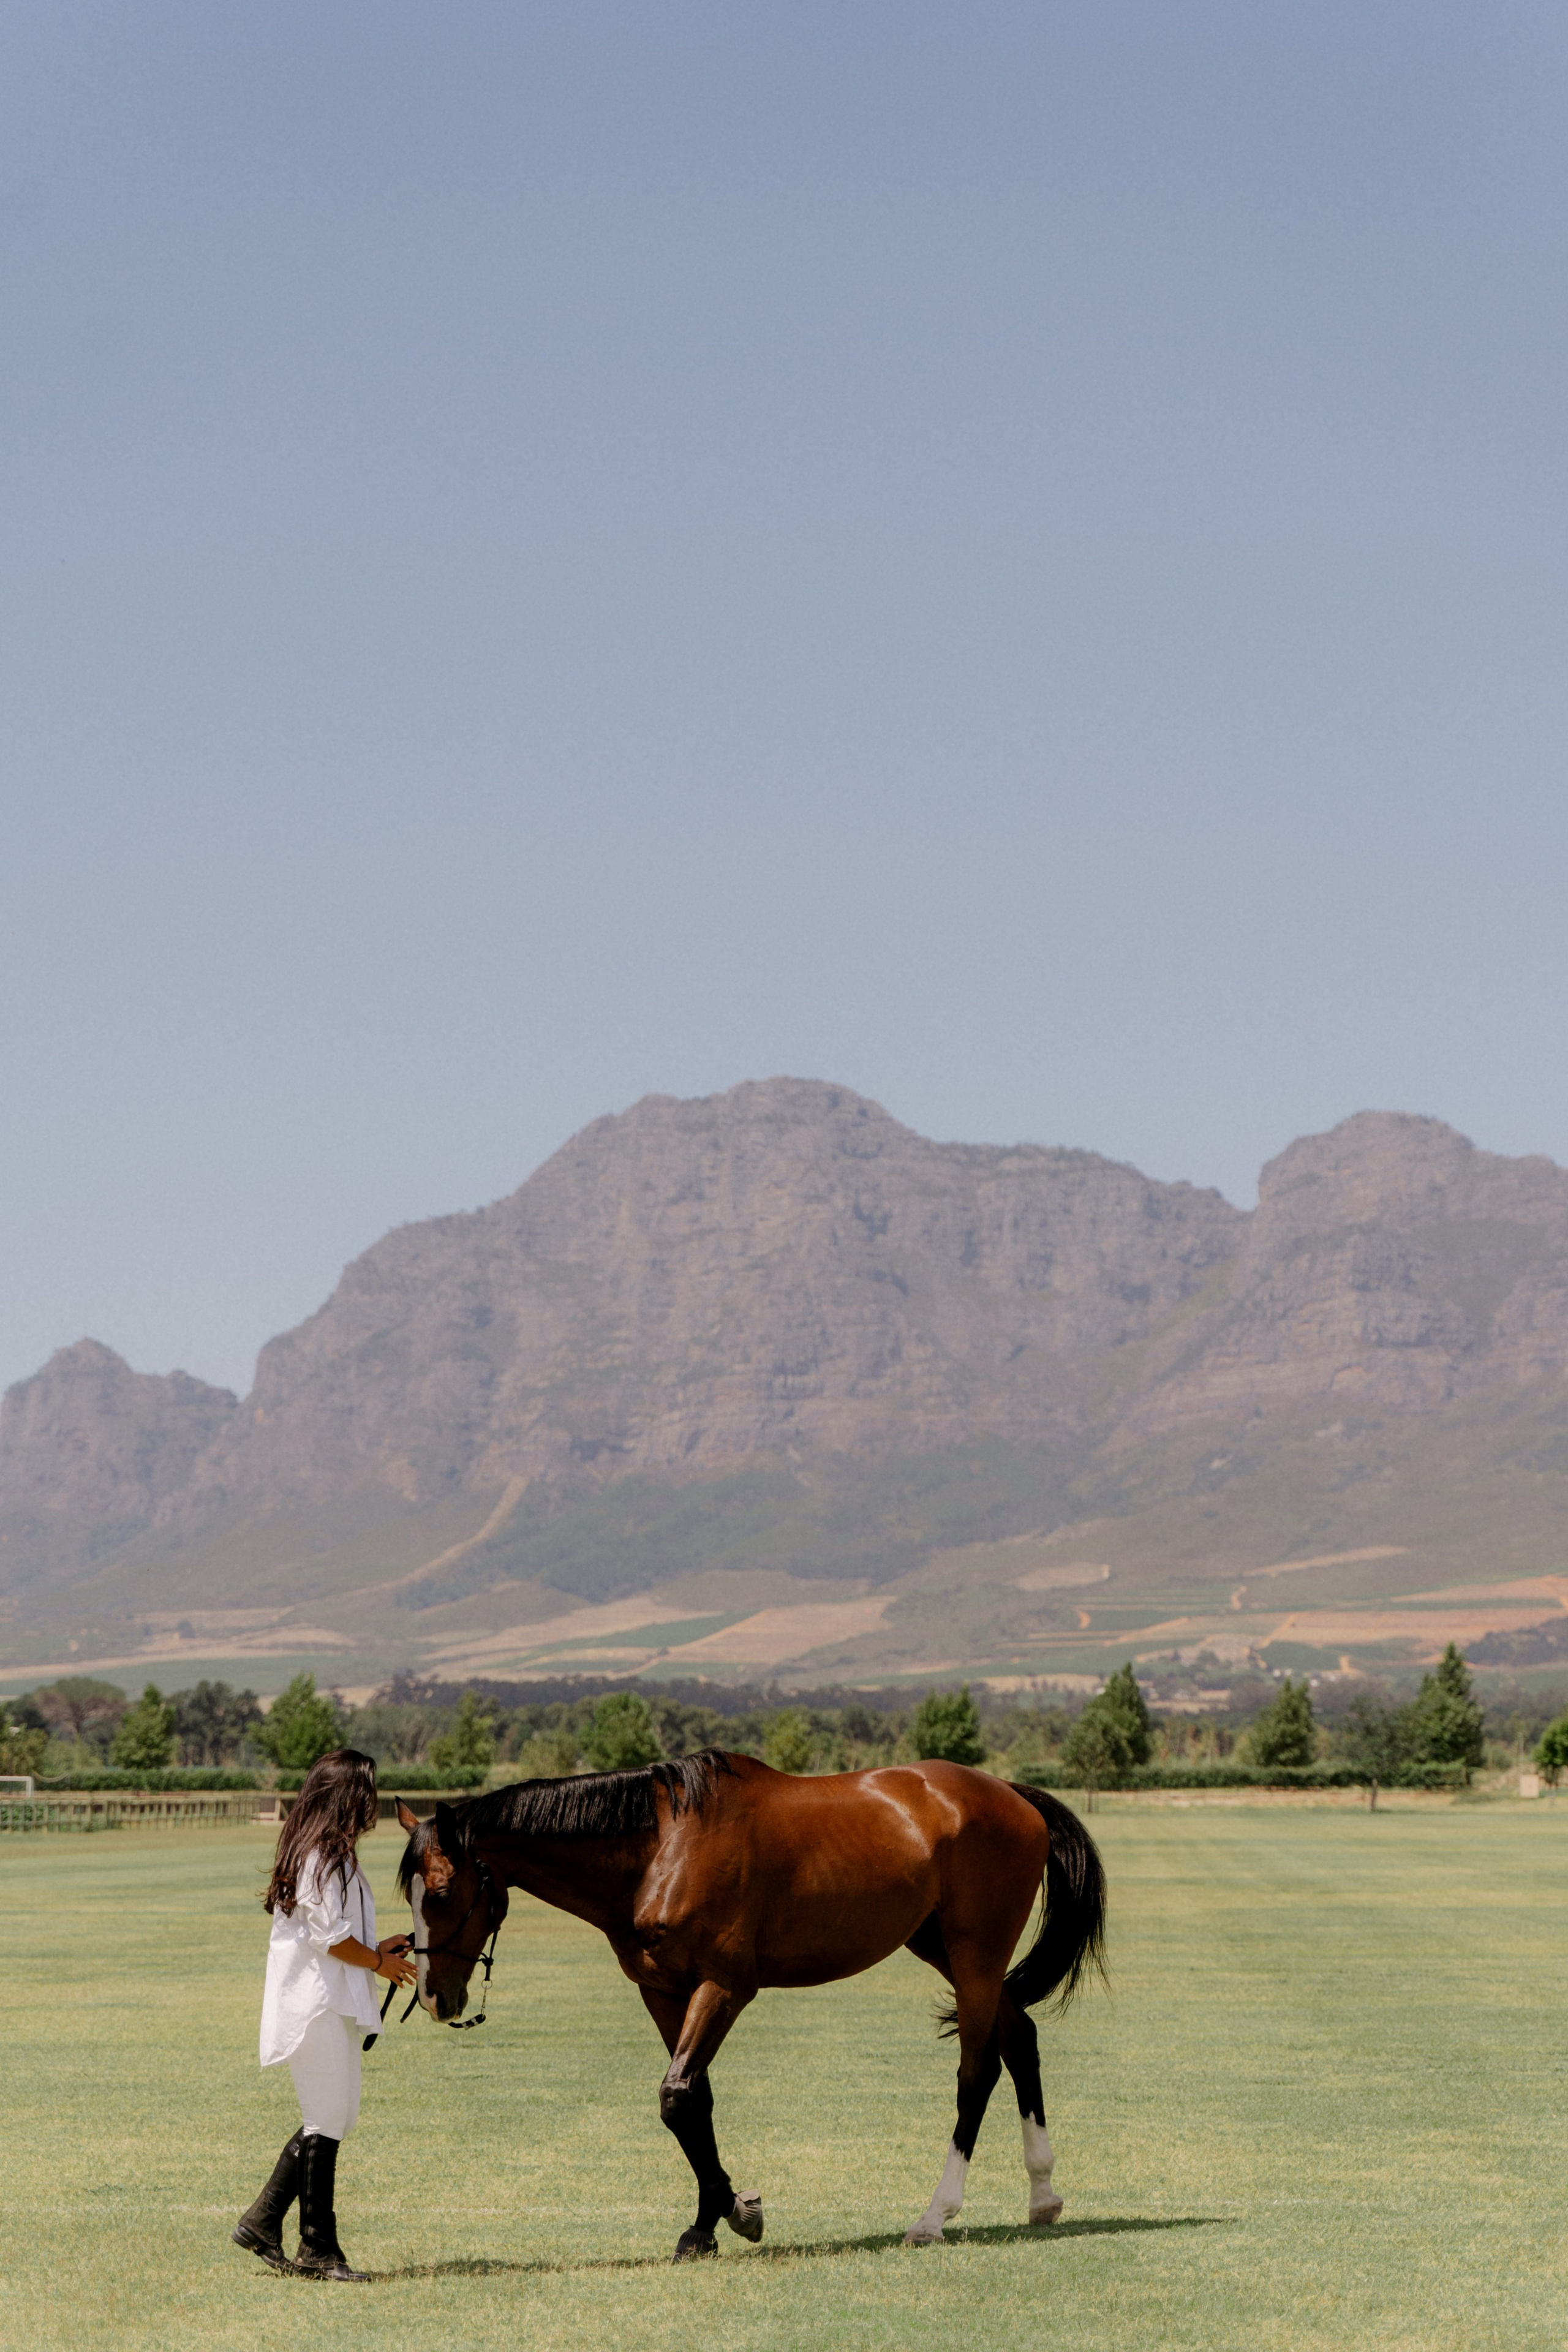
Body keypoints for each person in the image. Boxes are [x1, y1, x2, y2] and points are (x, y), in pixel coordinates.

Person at [233, 1747, 416, 2282]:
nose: (372, 1799)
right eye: (366, 1789)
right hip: (314, 2003)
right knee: (328, 2118)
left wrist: (381, 1947)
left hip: (331, 1996)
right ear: (345, 1795)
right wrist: (379, 1962)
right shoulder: (319, 1856)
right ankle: (317, 2249)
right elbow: (332, 1939)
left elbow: (337, 1937)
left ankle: (264, 2222)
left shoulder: (334, 1855)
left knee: (338, 2116)